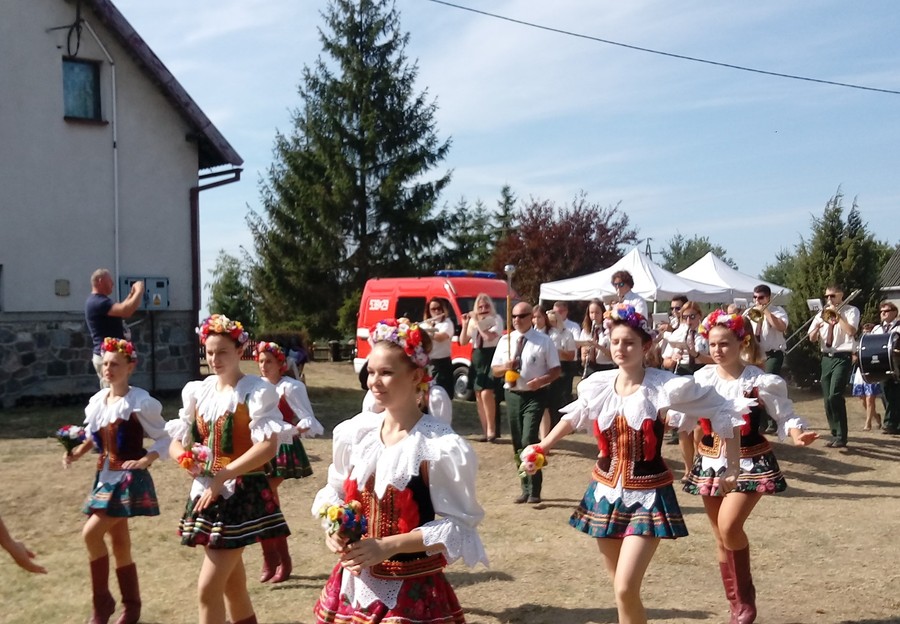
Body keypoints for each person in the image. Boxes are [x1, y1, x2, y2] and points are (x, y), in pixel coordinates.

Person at [526, 305, 751, 624]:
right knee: (621, 590)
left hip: (649, 495)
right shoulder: (599, 384)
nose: (621, 348)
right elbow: (577, 414)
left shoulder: (663, 386)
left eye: (629, 342)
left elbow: (725, 408)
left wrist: (732, 466)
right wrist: (542, 446)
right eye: (616, 341)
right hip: (604, 493)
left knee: (624, 587)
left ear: (645, 346)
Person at [310, 318, 487, 623]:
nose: (374, 381)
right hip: (353, 583)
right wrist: (333, 529)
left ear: (416, 375)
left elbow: (459, 527)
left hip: (411, 587)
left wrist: (388, 546)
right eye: (372, 372)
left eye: (387, 373)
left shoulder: (437, 445)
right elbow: (334, 491)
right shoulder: (356, 433)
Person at [681, 310, 817, 624]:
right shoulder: (702, 379)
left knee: (730, 527)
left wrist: (798, 433)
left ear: (742, 343)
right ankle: (736, 608)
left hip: (749, 460)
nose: (717, 350)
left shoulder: (759, 380)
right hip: (710, 460)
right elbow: (686, 419)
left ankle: (746, 601)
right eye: (712, 344)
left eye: (724, 344)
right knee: (719, 536)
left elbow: (785, 413)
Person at [166, 314, 293, 624]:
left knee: (208, 590)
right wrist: (185, 459)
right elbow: (175, 441)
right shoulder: (198, 391)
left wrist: (223, 473)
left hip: (242, 495)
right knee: (233, 588)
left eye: (222, 351)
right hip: (208, 493)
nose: (214, 359)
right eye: (209, 352)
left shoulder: (256, 390)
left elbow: (268, 447)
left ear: (240, 351)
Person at [64, 337, 169, 624]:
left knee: (91, 534)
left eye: (115, 364)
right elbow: (91, 435)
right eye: (106, 364)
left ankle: (103, 604)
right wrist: (75, 453)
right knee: (120, 543)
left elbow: (165, 437)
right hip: (104, 476)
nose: (108, 369)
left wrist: (146, 460)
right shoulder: (99, 401)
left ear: (130, 366)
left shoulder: (139, 402)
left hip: (126, 478)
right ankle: (132, 607)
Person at [255, 340, 323, 584]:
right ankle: (273, 559)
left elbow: (308, 419)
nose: (264, 366)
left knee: (265, 498)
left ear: (280, 364)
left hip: (282, 448)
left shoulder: (290, 387)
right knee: (267, 505)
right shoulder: (255, 387)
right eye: (261, 361)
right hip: (259, 448)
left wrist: (293, 430)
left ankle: (278, 560)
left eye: (269, 361)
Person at [491, 301, 561, 504]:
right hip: (512, 394)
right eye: (513, 316)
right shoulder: (506, 340)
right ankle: (525, 487)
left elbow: (556, 370)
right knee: (517, 443)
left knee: (528, 439)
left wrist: (542, 380)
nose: (516, 320)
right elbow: (495, 370)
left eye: (521, 316)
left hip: (535, 395)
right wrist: (506, 366)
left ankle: (535, 488)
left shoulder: (543, 341)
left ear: (531, 317)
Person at [807, 284, 860, 448]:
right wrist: (816, 329)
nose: (829, 299)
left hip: (842, 357)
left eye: (832, 296)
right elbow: (812, 338)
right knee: (827, 399)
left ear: (841, 295)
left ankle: (842, 436)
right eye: (827, 296)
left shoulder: (851, 311)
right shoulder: (821, 314)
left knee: (834, 395)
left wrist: (838, 316)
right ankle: (835, 433)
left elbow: (851, 331)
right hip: (826, 358)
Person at [85, 269, 144, 385]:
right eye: (110, 280)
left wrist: (131, 295)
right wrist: (139, 291)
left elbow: (122, 308)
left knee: (118, 390)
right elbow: (126, 311)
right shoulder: (99, 302)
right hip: (107, 358)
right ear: (100, 281)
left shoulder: (99, 301)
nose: (112, 284)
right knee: (112, 392)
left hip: (110, 355)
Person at [459, 293, 503, 441]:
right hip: (477, 356)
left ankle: (492, 429)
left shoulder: (496, 319)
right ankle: (485, 431)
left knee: (487, 393)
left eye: (486, 306)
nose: (483, 309)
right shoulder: (474, 322)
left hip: (491, 355)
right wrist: (465, 325)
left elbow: (488, 337)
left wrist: (477, 321)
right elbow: (463, 341)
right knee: (478, 395)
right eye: (480, 307)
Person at [747, 285, 789, 434]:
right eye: (755, 297)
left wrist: (766, 312)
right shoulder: (750, 312)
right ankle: (761, 422)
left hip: (773, 354)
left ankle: (774, 422)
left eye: (761, 298)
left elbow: (781, 327)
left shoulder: (778, 311)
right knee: (755, 389)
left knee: (768, 386)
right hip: (756, 355)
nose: (757, 300)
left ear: (768, 298)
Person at [541, 309, 576, 438]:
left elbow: (571, 355)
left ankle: (563, 425)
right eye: (549, 322)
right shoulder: (545, 334)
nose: (551, 324)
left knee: (561, 398)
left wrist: (560, 352)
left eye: (553, 321)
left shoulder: (566, 334)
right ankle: (549, 428)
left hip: (563, 367)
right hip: (549, 367)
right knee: (549, 400)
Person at [872, 301, 900, 434]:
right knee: (886, 394)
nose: (883, 313)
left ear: (895, 313)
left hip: (897, 364)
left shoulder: (899, 328)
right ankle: (892, 423)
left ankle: (890, 423)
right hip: (882, 364)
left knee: (896, 394)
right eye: (881, 311)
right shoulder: (876, 329)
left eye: (886, 311)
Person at [852, 324, 882, 431]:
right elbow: (854, 355)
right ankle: (876, 417)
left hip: (872, 372)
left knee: (870, 400)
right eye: (864, 331)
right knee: (863, 400)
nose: (866, 333)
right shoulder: (858, 343)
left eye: (868, 331)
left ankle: (868, 423)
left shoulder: (875, 343)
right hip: (861, 372)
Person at [423, 298, 455, 397]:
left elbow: (440, 337)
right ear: (429, 311)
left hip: (442, 364)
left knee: (443, 393)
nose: (437, 311)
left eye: (439, 308)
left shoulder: (447, 323)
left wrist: (425, 331)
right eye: (433, 309)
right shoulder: (426, 324)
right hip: (428, 363)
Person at [553, 301, 583, 400]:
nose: (557, 315)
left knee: (565, 393)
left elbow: (576, 343)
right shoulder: (550, 327)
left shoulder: (573, 326)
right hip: (553, 361)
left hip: (568, 362)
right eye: (555, 312)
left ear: (566, 312)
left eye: (560, 312)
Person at [579, 299, 613, 377]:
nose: (594, 316)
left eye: (597, 313)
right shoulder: (585, 331)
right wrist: (585, 356)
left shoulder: (609, 330)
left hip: (606, 367)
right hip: (591, 367)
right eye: (591, 313)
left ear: (603, 313)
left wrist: (597, 346)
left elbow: (612, 356)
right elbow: (583, 358)